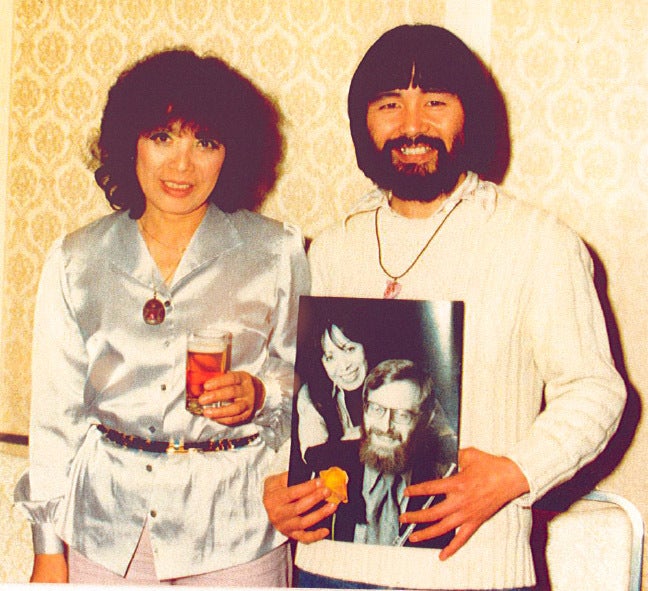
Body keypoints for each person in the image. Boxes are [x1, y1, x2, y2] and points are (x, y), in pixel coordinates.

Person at [263, 24, 626, 590]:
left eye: (435, 102)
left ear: (468, 115)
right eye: (390, 105)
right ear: (363, 122)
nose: (412, 126)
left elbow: (595, 390)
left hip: (474, 572)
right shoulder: (332, 247)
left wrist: (513, 475)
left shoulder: (539, 242)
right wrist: (274, 479)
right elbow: (293, 386)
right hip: (330, 568)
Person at [14, 48, 309, 585]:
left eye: (206, 142)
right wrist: (47, 550)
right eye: (162, 137)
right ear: (131, 142)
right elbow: (55, 420)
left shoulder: (277, 252)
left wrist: (260, 393)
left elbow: (306, 387)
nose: (182, 165)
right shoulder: (76, 259)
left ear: (231, 153)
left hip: (236, 533)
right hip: (104, 536)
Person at [306, 359, 456, 549]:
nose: (385, 427)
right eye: (376, 409)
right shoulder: (322, 461)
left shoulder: (445, 481)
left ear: (426, 419)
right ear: (364, 408)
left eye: (402, 415)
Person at [296, 322, 368, 466]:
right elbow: (314, 455)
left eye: (349, 349)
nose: (344, 366)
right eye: (330, 357)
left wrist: (340, 445)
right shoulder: (310, 393)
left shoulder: (394, 380)